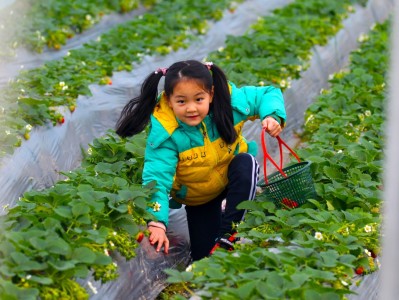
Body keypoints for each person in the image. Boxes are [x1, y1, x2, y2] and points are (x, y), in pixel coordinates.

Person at [115, 60, 286, 261]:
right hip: (199, 197)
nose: (191, 108)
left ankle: (229, 233)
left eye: (198, 99)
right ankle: (222, 217)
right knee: (203, 258)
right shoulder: (166, 132)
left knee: (246, 163)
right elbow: (157, 178)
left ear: (211, 95)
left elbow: (267, 93)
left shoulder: (229, 102)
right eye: (181, 101)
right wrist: (157, 222)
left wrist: (273, 116)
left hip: (231, 176)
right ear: (169, 100)